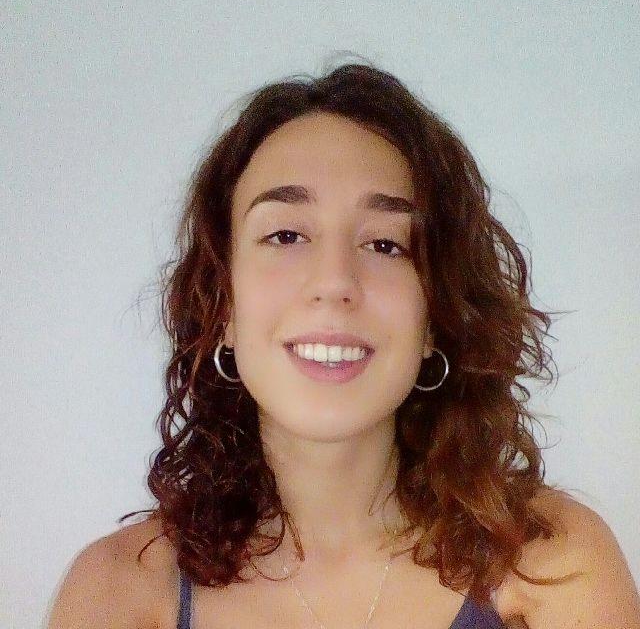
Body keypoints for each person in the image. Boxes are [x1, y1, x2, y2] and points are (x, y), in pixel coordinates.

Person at [47, 62, 640, 629]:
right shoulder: (116, 591)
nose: (334, 282)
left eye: (384, 244)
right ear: (222, 305)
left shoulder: (556, 566)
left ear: (434, 318)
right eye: (286, 235)